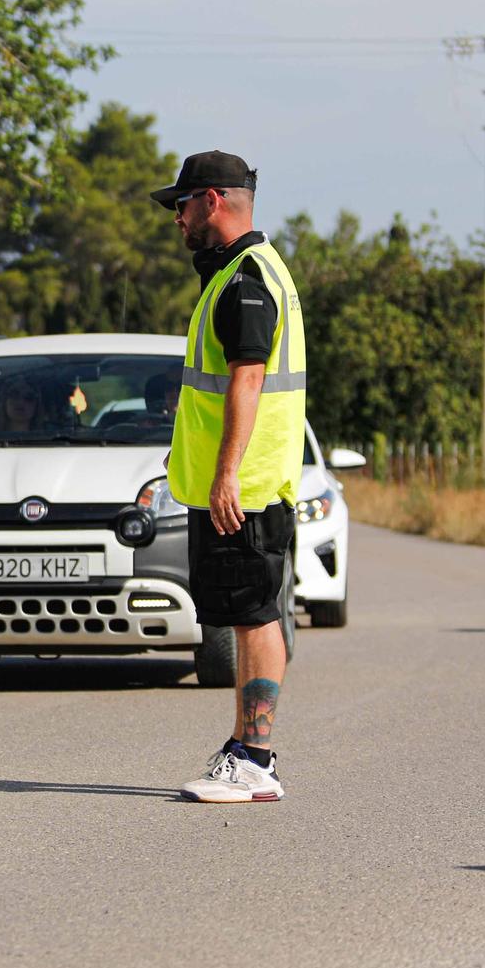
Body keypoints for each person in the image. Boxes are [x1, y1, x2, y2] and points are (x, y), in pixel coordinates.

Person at [150, 150, 307, 804]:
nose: (178, 219)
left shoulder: (246, 279)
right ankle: (245, 748)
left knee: (256, 614)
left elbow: (246, 379)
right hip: (248, 483)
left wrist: (226, 476)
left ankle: (257, 756)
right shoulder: (244, 274)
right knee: (246, 616)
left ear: (212, 200)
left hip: (246, 488)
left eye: (182, 205)